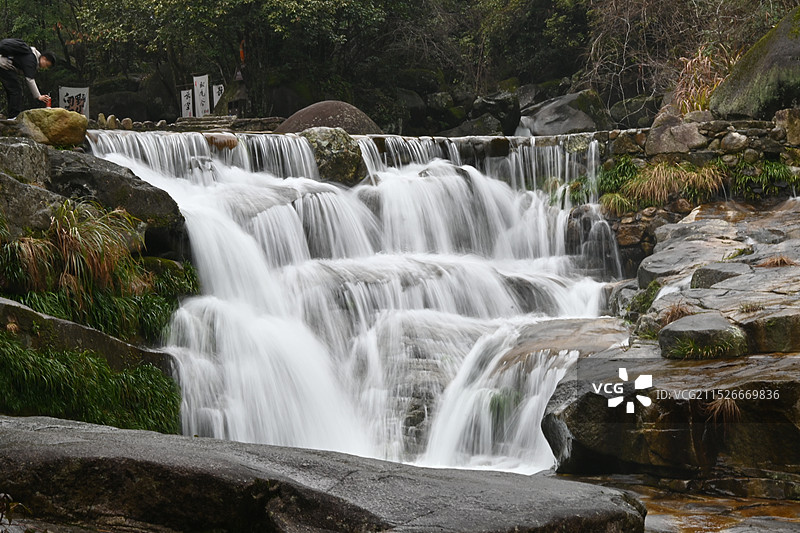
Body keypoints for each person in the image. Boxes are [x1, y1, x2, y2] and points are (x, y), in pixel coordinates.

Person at [0, 38, 56, 119]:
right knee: (16, 90)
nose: (45, 67)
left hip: (4, 65)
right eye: (46, 64)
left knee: (12, 90)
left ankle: (12, 115)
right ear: (43, 58)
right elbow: (30, 79)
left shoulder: (30, 55)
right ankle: (13, 117)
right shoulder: (32, 59)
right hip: (4, 65)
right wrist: (38, 96)